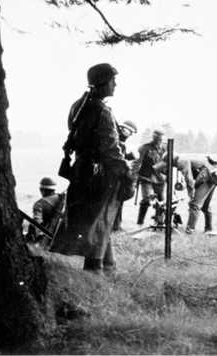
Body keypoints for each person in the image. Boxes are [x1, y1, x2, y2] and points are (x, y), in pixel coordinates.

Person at [51, 63, 131, 276]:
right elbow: (110, 149)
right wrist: (126, 170)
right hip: (101, 174)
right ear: (103, 83)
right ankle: (94, 271)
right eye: (113, 80)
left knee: (96, 220)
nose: (116, 84)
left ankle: (109, 268)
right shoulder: (102, 110)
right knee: (99, 220)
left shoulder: (78, 105)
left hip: (81, 171)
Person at [154, 155, 217, 235]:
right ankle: (209, 228)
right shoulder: (182, 159)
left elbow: (189, 179)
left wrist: (191, 194)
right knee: (205, 205)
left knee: (194, 204)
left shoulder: (181, 161)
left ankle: (189, 230)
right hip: (212, 174)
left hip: (209, 176)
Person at [132, 129, 166, 225]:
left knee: (161, 201)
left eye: (161, 139)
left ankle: (159, 223)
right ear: (154, 138)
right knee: (146, 200)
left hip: (160, 179)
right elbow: (138, 162)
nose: (159, 141)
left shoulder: (165, 148)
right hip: (146, 177)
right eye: (157, 138)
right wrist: (134, 175)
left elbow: (168, 163)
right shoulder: (144, 148)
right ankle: (140, 222)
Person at [112, 120, 138, 231]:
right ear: (123, 129)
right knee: (115, 201)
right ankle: (115, 226)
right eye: (130, 132)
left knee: (118, 201)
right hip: (114, 177)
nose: (130, 135)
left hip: (118, 177)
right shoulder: (115, 140)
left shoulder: (119, 141)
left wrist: (129, 156)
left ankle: (116, 225)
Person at [28, 177, 64, 245]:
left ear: (42, 190)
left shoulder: (39, 204)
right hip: (60, 234)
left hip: (46, 237)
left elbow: (37, 222)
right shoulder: (62, 199)